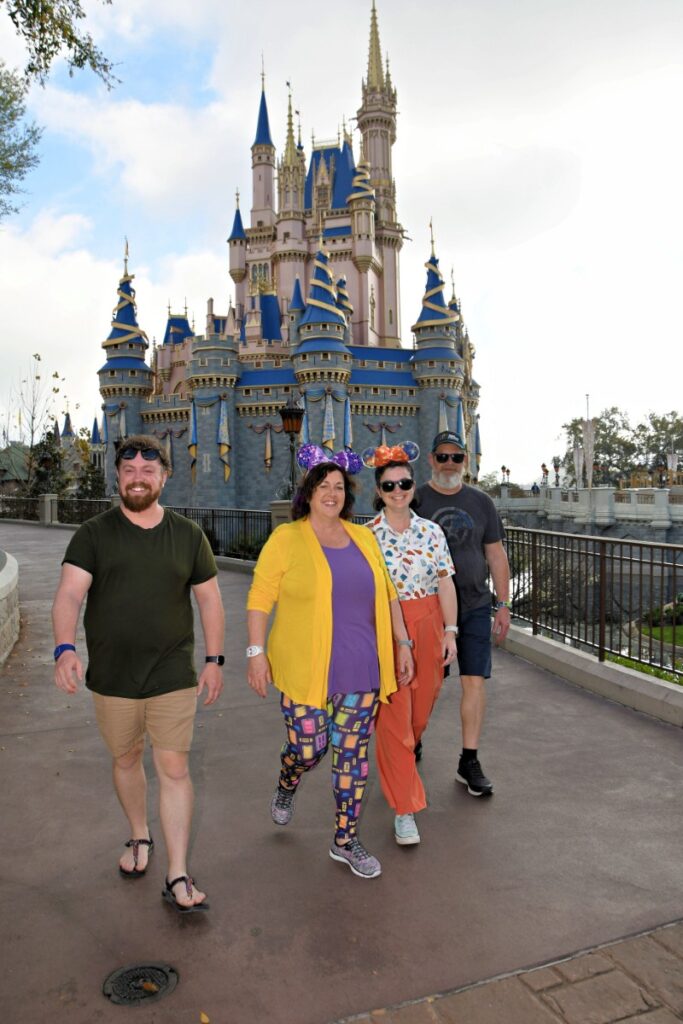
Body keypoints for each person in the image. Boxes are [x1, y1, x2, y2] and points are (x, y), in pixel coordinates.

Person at [52, 434, 225, 912]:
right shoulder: (94, 534)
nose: (138, 478)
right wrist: (64, 648)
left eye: (148, 472)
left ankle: (178, 872)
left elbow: (209, 598)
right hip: (113, 675)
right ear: (119, 478)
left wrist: (214, 660)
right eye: (129, 471)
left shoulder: (188, 535)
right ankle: (139, 835)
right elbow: (69, 594)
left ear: (164, 478)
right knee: (126, 759)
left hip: (172, 672)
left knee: (173, 767)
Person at [246, 445, 414, 879]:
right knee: (309, 748)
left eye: (339, 486)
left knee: (352, 758)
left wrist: (404, 644)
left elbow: (389, 594)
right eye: (324, 485)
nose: (332, 493)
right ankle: (288, 781)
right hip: (306, 668)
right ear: (309, 492)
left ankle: (346, 839)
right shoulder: (287, 538)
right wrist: (255, 652)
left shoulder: (363, 538)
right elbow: (261, 597)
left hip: (362, 669)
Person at [366, 443, 458, 846]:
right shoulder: (367, 537)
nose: (398, 490)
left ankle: (399, 766)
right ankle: (405, 809)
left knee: (418, 718)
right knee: (394, 721)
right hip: (387, 629)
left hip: (429, 625)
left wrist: (450, 631)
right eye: (389, 486)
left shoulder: (432, 532)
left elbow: (445, 582)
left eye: (404, 483)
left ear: (413, 486)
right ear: (379, 490)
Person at [416, 430, 511, 797]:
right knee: (427, 682)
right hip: (429, 608)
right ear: (431, 460)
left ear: (466, 462)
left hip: (473, 605)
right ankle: (413, 738)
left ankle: (468, 759)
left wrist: (502, 604)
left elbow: (496, 554)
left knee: (474, 680)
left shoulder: (481, 502)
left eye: (457, 457)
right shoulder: (415, 498)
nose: (450, 464)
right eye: (443, 457)